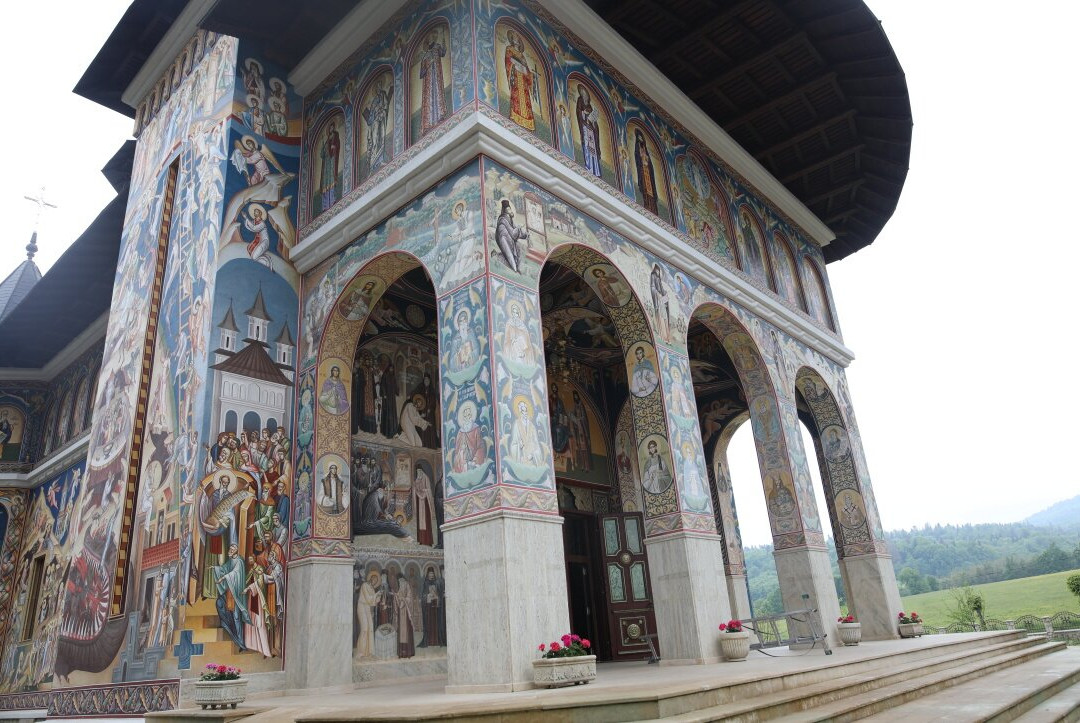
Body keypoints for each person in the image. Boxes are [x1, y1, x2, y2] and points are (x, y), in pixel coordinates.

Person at [212, 544, 250, 651]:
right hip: (229, 592)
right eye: (230, 548)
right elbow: (224, 568)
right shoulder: (231, 561)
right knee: (220, 603)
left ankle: (241, 643)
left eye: (232, 549)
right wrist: (215, 568)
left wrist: (223, 578)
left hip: (236, 594)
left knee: (237, 617)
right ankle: (226, 625)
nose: (230, 550)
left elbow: (234, 573)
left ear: (236, 551)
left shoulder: (239, 561)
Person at [504, 30, 536, 130]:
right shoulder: (509, 49)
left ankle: (528, 122)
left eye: (517, 38)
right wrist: (515, 64)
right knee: (516, 97)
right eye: (513, 38)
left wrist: (531, 75)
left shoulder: (522, 56)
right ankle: (516, 117)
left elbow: (527, 70)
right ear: (512, 40)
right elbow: (508, 62)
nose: (516, 39)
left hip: (523, 80)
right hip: (516, 77)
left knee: (525, 100)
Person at [417, 30, 447, 135]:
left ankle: (439, 117)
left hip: (436, 77)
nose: (434, 38)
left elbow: (443, 53)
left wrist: (444, 43)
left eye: (435, 35)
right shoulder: (425, 55)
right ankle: (429, 123)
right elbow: (421, 74)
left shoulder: (437, 47)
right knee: (429, 99)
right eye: (432, 36)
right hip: (428, 81)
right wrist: (428, 66)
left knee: (437, 94)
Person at [362, 77, 393, 170]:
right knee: (375, 140)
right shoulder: (375, 100)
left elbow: (385, 106)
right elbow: (371, 113)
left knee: (381, 138)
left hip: (381, 120)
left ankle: (380, 160)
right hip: (374, 122)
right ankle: (373, 163)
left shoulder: (383, 95)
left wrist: (381, 112)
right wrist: (374, 114)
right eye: (377, 87)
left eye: (380, 86)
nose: (379, 88)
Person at [495, 199, 528, 274]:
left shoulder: (510, 219)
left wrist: (525, 235)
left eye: (510, 209)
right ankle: (515, 270)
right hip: (503, 239)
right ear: (505, 211)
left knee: (517, 252)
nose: (510, 210)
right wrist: (519, 228)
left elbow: (515, 233)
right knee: (509, 255)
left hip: (509, 239)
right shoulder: (503, 219)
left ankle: (515, 268)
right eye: (508, 209)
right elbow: (513, 233)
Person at [451, 402, 486, 473]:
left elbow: (480, 446)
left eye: (469, 415)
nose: (467, 417)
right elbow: (457, 448)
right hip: (462, 460)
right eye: (465, 416)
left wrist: (475, 459)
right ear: (463, 417)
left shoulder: (476, 428)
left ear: (471, 416)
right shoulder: (460, 431)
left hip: (473, 459)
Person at [394, 573, 423, 658]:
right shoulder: (400, 587)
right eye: (399, 580)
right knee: (401, 632)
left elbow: (409, 598)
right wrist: (396, 597)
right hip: (401, 611)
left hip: (406, 612)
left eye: (401, 580)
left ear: (403, 579)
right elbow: (398, 598)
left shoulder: (407, 585)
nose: (400, 582)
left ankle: (408, 652)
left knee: (407, 631)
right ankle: (401, 653)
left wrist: (404, 599)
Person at [576, 86, 602, 177]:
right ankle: (588, 166)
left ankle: (595, 170)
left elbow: (593, 119)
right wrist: (584, 113)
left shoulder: (590, 105)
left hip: (590, 129)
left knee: (593, 149)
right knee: (587, 146)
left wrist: (593, 122)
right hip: (585, 128)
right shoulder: (580, 101)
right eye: (582, 93)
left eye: (585, 93)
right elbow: (579, 113)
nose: (584, 95)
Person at [355, 571, 382, 658]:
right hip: (362, 606)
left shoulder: (372, 589)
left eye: (376, 580)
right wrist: (375, 595)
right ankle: (361, 652)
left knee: (370, 629)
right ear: (371, 578)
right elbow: (368, 599)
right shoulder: (364, 585)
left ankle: (370, 652)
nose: (374, 581)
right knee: (364, 629)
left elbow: (373, 603)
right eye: (374, 579)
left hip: (367, 608)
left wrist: (378, 597)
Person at [509, 399, 543, 466]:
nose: (525, 413)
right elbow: (514, 444)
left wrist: (533, 454)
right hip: (522, 457)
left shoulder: (532, 426)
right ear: (520, 412)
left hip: (531, 456)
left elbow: (536, 443)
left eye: (526, 411)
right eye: (523, 411)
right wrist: (519, 445)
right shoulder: (517, 424)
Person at [634, 129, 659, 214]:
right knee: (645, 189)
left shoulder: (645, 150)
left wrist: (647, 161)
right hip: (643, 172)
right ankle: (647, 205)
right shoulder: (637, 148)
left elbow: (650, 164)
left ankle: (653, 208)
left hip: (648, 172)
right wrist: (642, 158)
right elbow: (638, 158)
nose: (641, 139)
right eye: (639, 137)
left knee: (651, 191)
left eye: (642, 138)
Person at [318, 122, 341, 211]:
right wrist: (324, 145)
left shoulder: (335, 135)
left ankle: (332, 201)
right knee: (325, 183)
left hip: (331, 160)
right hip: (326, 163)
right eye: (330, 128)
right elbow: (322, 154)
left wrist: (334, 147)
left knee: (331, 180)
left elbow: (337, 144)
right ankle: (325, 206)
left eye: (332, 127)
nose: (331, 129)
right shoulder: (327, 140)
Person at [412, 466, 436, 547]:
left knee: (426, 522)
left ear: (422, 470)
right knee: (420, 522)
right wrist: (415, 488)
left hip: (425, 502)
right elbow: (415, 489)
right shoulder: (417, 479)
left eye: (420, 470)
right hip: (419, 502)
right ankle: (421, 540)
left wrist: (424, 491)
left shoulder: (426, 478)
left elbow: (428, 489)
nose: (418, 472)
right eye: (417, 471)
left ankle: (428, 541)